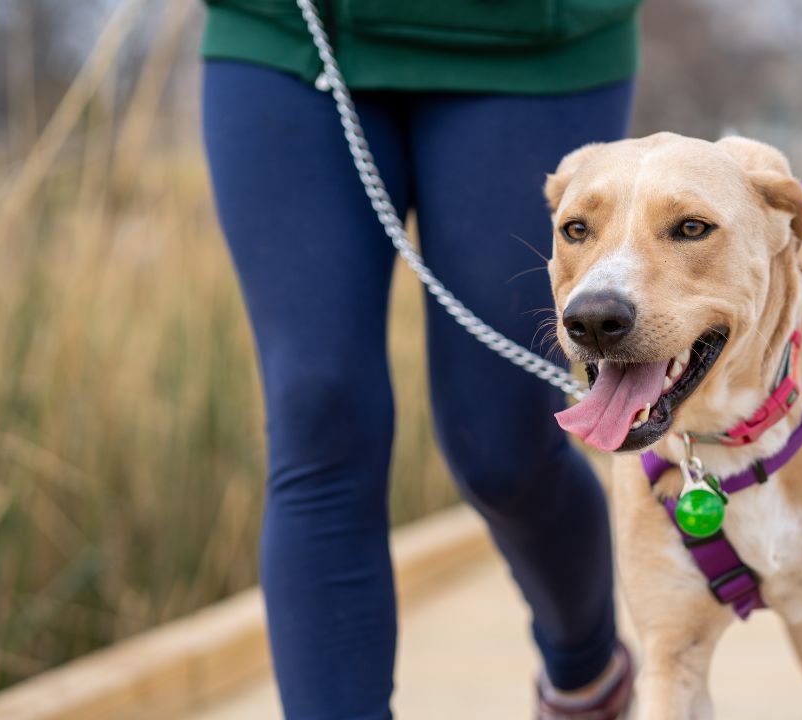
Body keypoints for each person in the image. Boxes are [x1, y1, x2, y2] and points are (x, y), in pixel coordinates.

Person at [199, 2, 640, 717]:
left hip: (529, 46)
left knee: (503, 444)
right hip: (292, 36)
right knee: (319, 413)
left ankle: (588, 673)